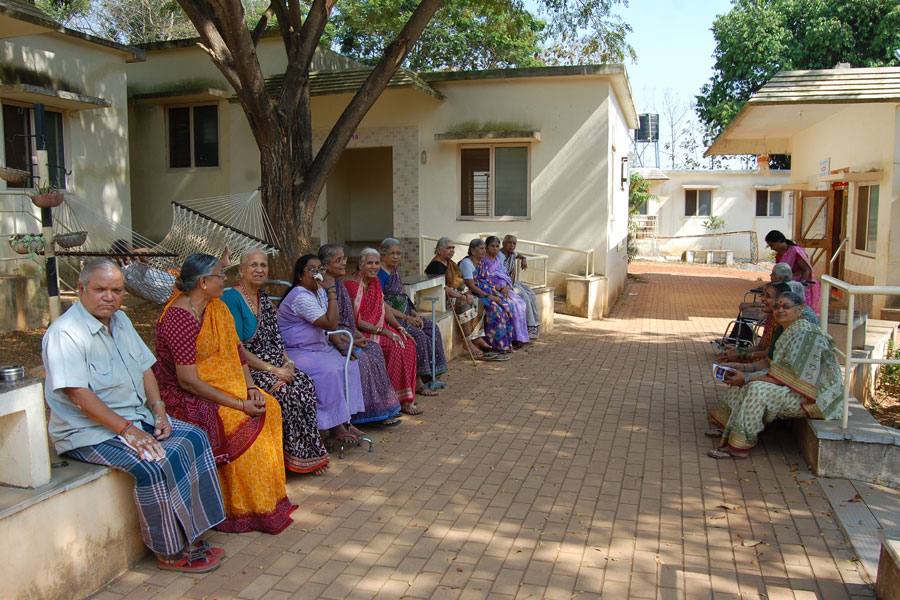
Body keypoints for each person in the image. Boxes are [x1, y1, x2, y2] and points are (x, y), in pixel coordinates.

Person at [43, 258, 227, 572]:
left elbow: (145, 368)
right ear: (80, 289)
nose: (109, 297)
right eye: (100, 289)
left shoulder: (121, 321)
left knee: (194, 437)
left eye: (116, 290)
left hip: (133, 416)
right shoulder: (65, 333)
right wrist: (130, 431)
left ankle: (195, 531)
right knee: (152, 465)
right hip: (87, 431)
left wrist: (158, 411)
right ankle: (169, 551)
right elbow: (79, 396)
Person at [154, 253, 297, 535]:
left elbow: (236, 351)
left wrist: (251, 388)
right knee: (241, 420)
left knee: (270, 407)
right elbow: (188, 381)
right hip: (185, 395)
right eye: (220, 275)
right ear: (203, 282)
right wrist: (240, 404)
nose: (225, 280)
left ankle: (267, 501)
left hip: (225, 385)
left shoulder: (216, 307)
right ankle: (238, 509)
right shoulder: (178, 318)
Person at [221, 249, 330, 474]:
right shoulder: (232, 299)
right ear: (241, 270)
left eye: (263, 265)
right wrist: (275, 370)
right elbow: (236, 348)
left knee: (305, 384)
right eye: (253, 265)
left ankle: (309, 454)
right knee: (285, 392)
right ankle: (288, 460)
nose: (259, 269)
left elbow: (276, 340)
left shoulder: (263, 298)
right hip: (252, 369)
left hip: (275, 365)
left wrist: (288, 363)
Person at [707, 290, 843, 459]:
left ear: (799, 310)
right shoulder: (786, 329)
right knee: (746, 381)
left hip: (815, 396)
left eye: (786, 307)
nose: (780, 310)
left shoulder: (805, 334)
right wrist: (742, 369)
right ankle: (729, 427)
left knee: (756, 389)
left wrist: (748, 378)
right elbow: (771, 363)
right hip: (794, 385)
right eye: (777, 306)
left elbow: (790, 377)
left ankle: (738, 448)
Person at [277, 254, 366, 444]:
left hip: (317, 348)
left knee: (349, 365)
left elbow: (329, 328)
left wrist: (342, 349)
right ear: (300, 275)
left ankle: (344, 420)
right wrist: (331, 290)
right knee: (329, 371)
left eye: (320, 269)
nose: (317, 274)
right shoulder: (300, 295)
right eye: (311, 270)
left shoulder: (318, 292)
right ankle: (333, 426)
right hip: (295, 351)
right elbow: (330, 324)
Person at [319, 243, 402, 426]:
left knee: (374, 350)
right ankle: (364, 415)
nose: (343, 264)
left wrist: (357, 336)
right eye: (338, 260)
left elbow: (348, 320)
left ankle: (383, 408)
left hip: (346, 334)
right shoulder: (324, 287)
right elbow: (327, 326)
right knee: (362, 358)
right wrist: (347, 341)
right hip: (330, 339)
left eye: (344, 259)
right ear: (325, 265)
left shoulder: (338, 284)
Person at [344, 248, 423, 414]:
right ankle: (391, 400)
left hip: (377, 328)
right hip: (360, 331)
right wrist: (385, 332)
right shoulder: (353, 284)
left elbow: (383, 307)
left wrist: (399, 327)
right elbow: (356, 320)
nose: (374, 267)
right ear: (360, 265)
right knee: (396, 347)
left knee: (407, 342)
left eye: (376, 263)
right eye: (370, 263)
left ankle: (405, 399)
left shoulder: (374, 282)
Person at [378, 237, 446, 391]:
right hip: (392, 318)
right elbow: (383, 304)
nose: (396, 257)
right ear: (383, 254)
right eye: (392, 253)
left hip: (406, 312)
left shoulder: (394, 271)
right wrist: (406, 318)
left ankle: (432, 373)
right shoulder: (379, 274)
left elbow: (401, 295)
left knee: (432, 328)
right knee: (419, 336)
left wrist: (414, 313)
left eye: (398, 254)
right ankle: (418, 381)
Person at [424, 237, 499, 360]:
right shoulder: (436, 265)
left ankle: (477, 337)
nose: (452, 250)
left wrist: (467, 294)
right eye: (448, 248)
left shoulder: (450, 264)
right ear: (439, 250)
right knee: (465, 305)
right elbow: (444, 288)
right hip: (440, 298)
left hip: (455, 295)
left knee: (477, 301)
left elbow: (460, 282)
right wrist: (462, 296)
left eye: (453, 248)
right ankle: (467, 342)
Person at [460, 238, 514, 353]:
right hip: (475, 295)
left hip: (487, 293)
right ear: (473, 251)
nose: (484, 251)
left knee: (506, 306)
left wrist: (495, 294)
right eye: (481, 248)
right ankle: (494, 345)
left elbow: (488, 282)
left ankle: (506, 344)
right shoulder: (466, 263)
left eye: (485, 248)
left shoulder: (481, 263)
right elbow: (471, 286)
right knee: (495, 310)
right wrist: (490, 297)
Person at [477, 236, 530, 345]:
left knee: (520, 303)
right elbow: (484, 280)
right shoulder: (483, 261)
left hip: (505, 289)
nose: (495, 249)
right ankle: (512, 338)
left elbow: (505, 275)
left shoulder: (498, 260)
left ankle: (520, 337)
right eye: (492, 246)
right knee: (511, 305)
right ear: (486, 247)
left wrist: (506, 287)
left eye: (497, 246)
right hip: (493, 291)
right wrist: (499, 288)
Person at [765, 230, 821, 315]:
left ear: (779, 241)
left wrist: (801, 285)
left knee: (799, 311)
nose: (772, 248)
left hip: (801, 286)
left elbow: (806, 269)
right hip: (787, 284)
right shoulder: (779, 255)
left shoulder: (795, 251)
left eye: (772, 245)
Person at [501, 235, 540, 338]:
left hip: (513, 282)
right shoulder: (499, 256)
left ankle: (535, 327)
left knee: (531, 293)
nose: (512, 245)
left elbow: (519, 255)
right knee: (524, 297)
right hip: (504, 284)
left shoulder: (513, 254)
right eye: (509, 243)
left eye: (514, 243)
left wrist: (524, 258)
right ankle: (529, 326)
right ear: (503, 243)